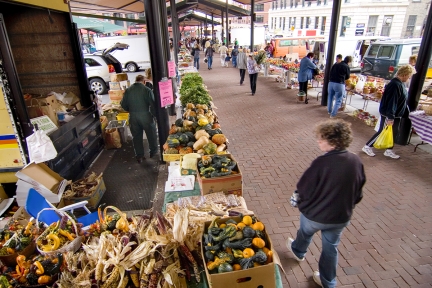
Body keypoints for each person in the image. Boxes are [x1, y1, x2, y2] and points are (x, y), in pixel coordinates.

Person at [287, 119, 365, 288]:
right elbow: (358, 192)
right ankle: (328, 281)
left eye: (321, 139)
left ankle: (299, 251)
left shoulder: (321, 163)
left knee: (305, 233)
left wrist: (298, 199)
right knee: (331, 249)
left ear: (332, 141)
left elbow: (304, 188)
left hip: (315, 215)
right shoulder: (356, 161)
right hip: (340, 217)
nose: (318, 141)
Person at [362, 64, 416, 159]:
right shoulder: (395, 85)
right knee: (382, 131)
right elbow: (392, 101)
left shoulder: (399, 84)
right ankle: (367, 146)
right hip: (390, 114)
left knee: (394, 132)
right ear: (404, 74)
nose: (409, 78)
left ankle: (389, 150)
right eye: (409, 76)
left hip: (396, 114)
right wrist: (390, 117)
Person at [120, 75, 158, 163]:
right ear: (144, 81)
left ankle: (139, 156)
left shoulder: (128, 90)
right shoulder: (147, 90)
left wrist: (131, 110)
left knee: (136, 137)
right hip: (146, 116)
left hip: (133, 117)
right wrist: (154, 115)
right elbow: (152, 104)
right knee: (151, 134)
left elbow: (123, 105)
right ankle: (153, 152)